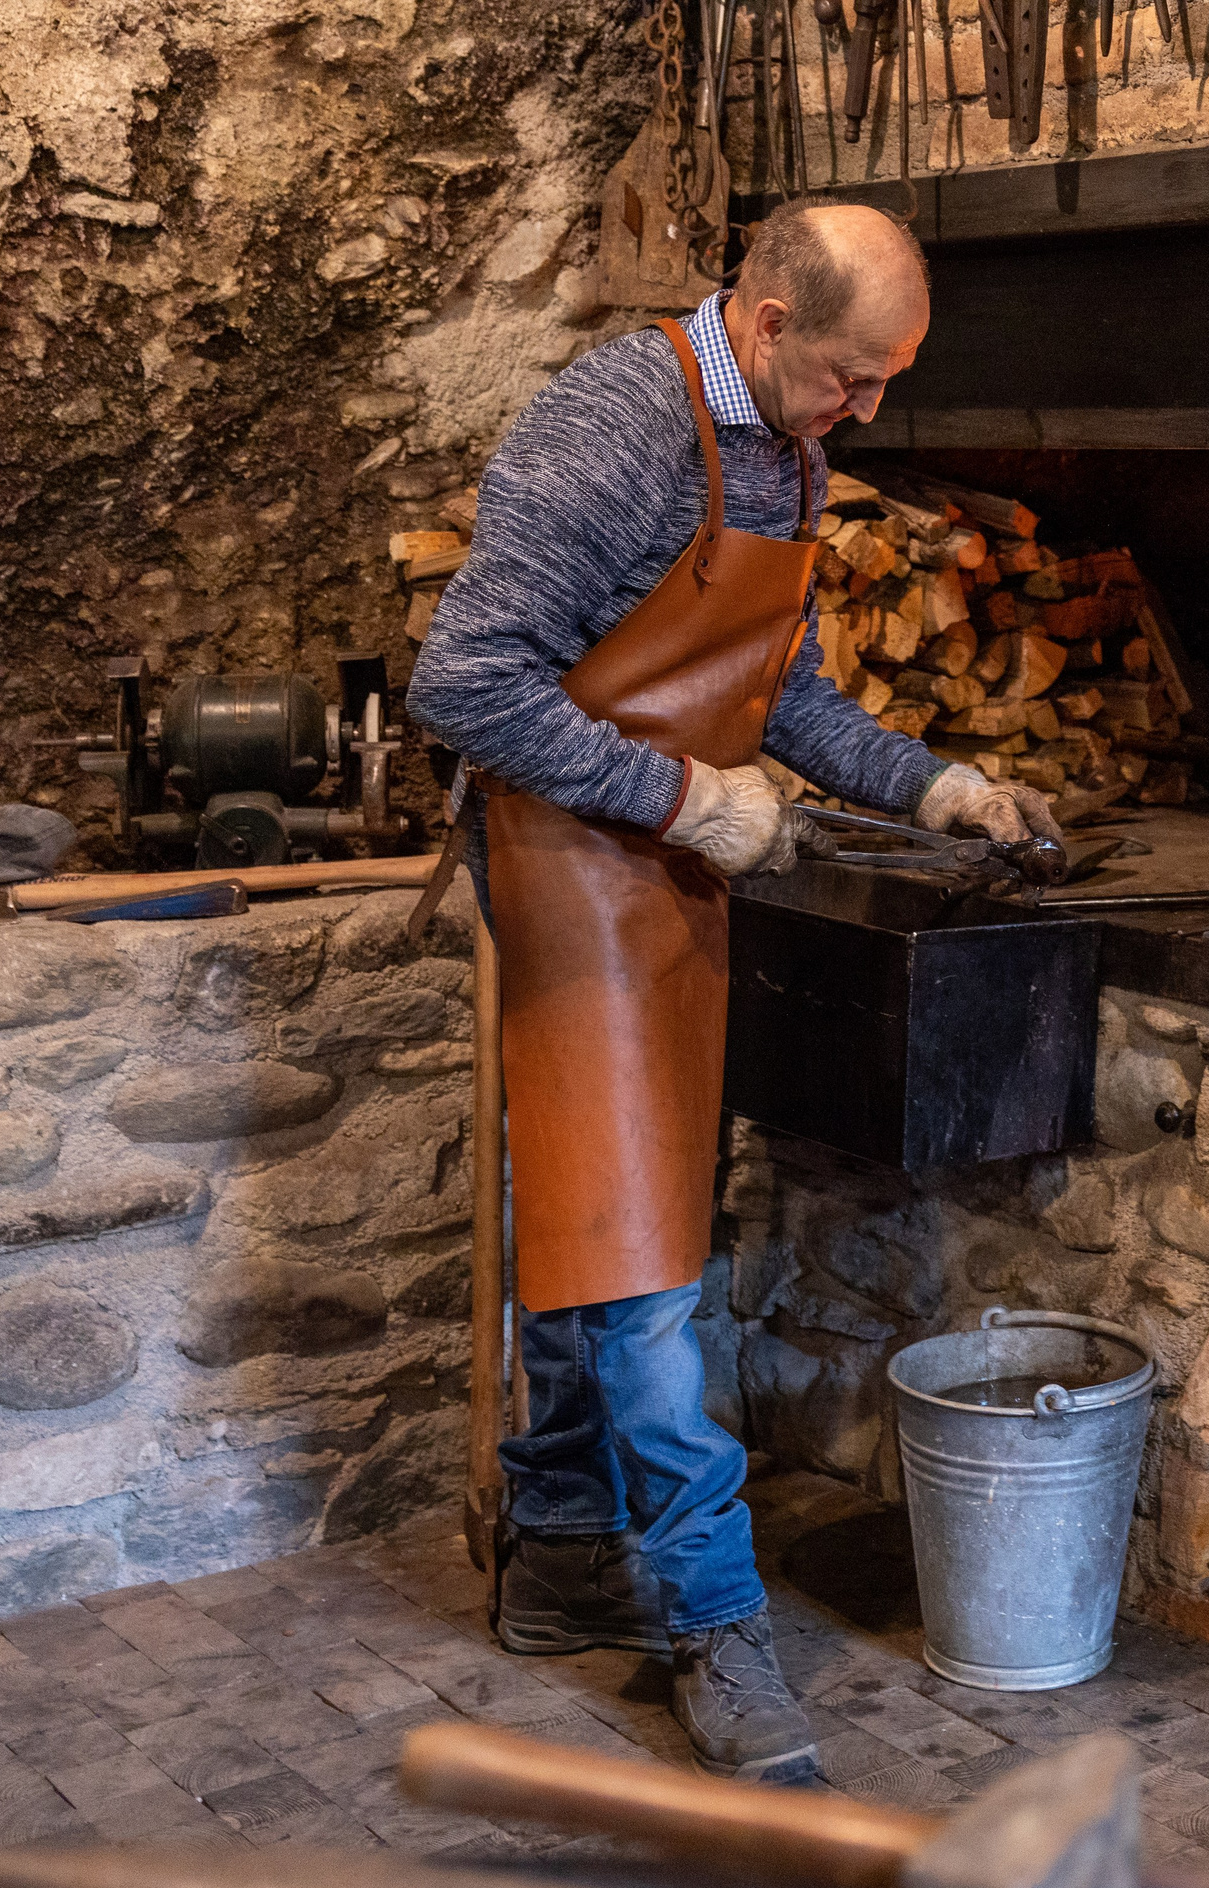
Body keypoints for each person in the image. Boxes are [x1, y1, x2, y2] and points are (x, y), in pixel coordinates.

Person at [407, 200, 1056, 1783]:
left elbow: (784, 696)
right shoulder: (615, 427)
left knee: (592, 1214)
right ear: (765, 319)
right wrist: (688, 805)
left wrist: (936, 788)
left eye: (888, 381)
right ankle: (713, 1626)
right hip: (566, 858)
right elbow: (466, 684)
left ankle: (562, 1553)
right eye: (853, 376)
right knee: (635, 1256)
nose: (870, 411)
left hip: (659, 869)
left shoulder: (784, 444)